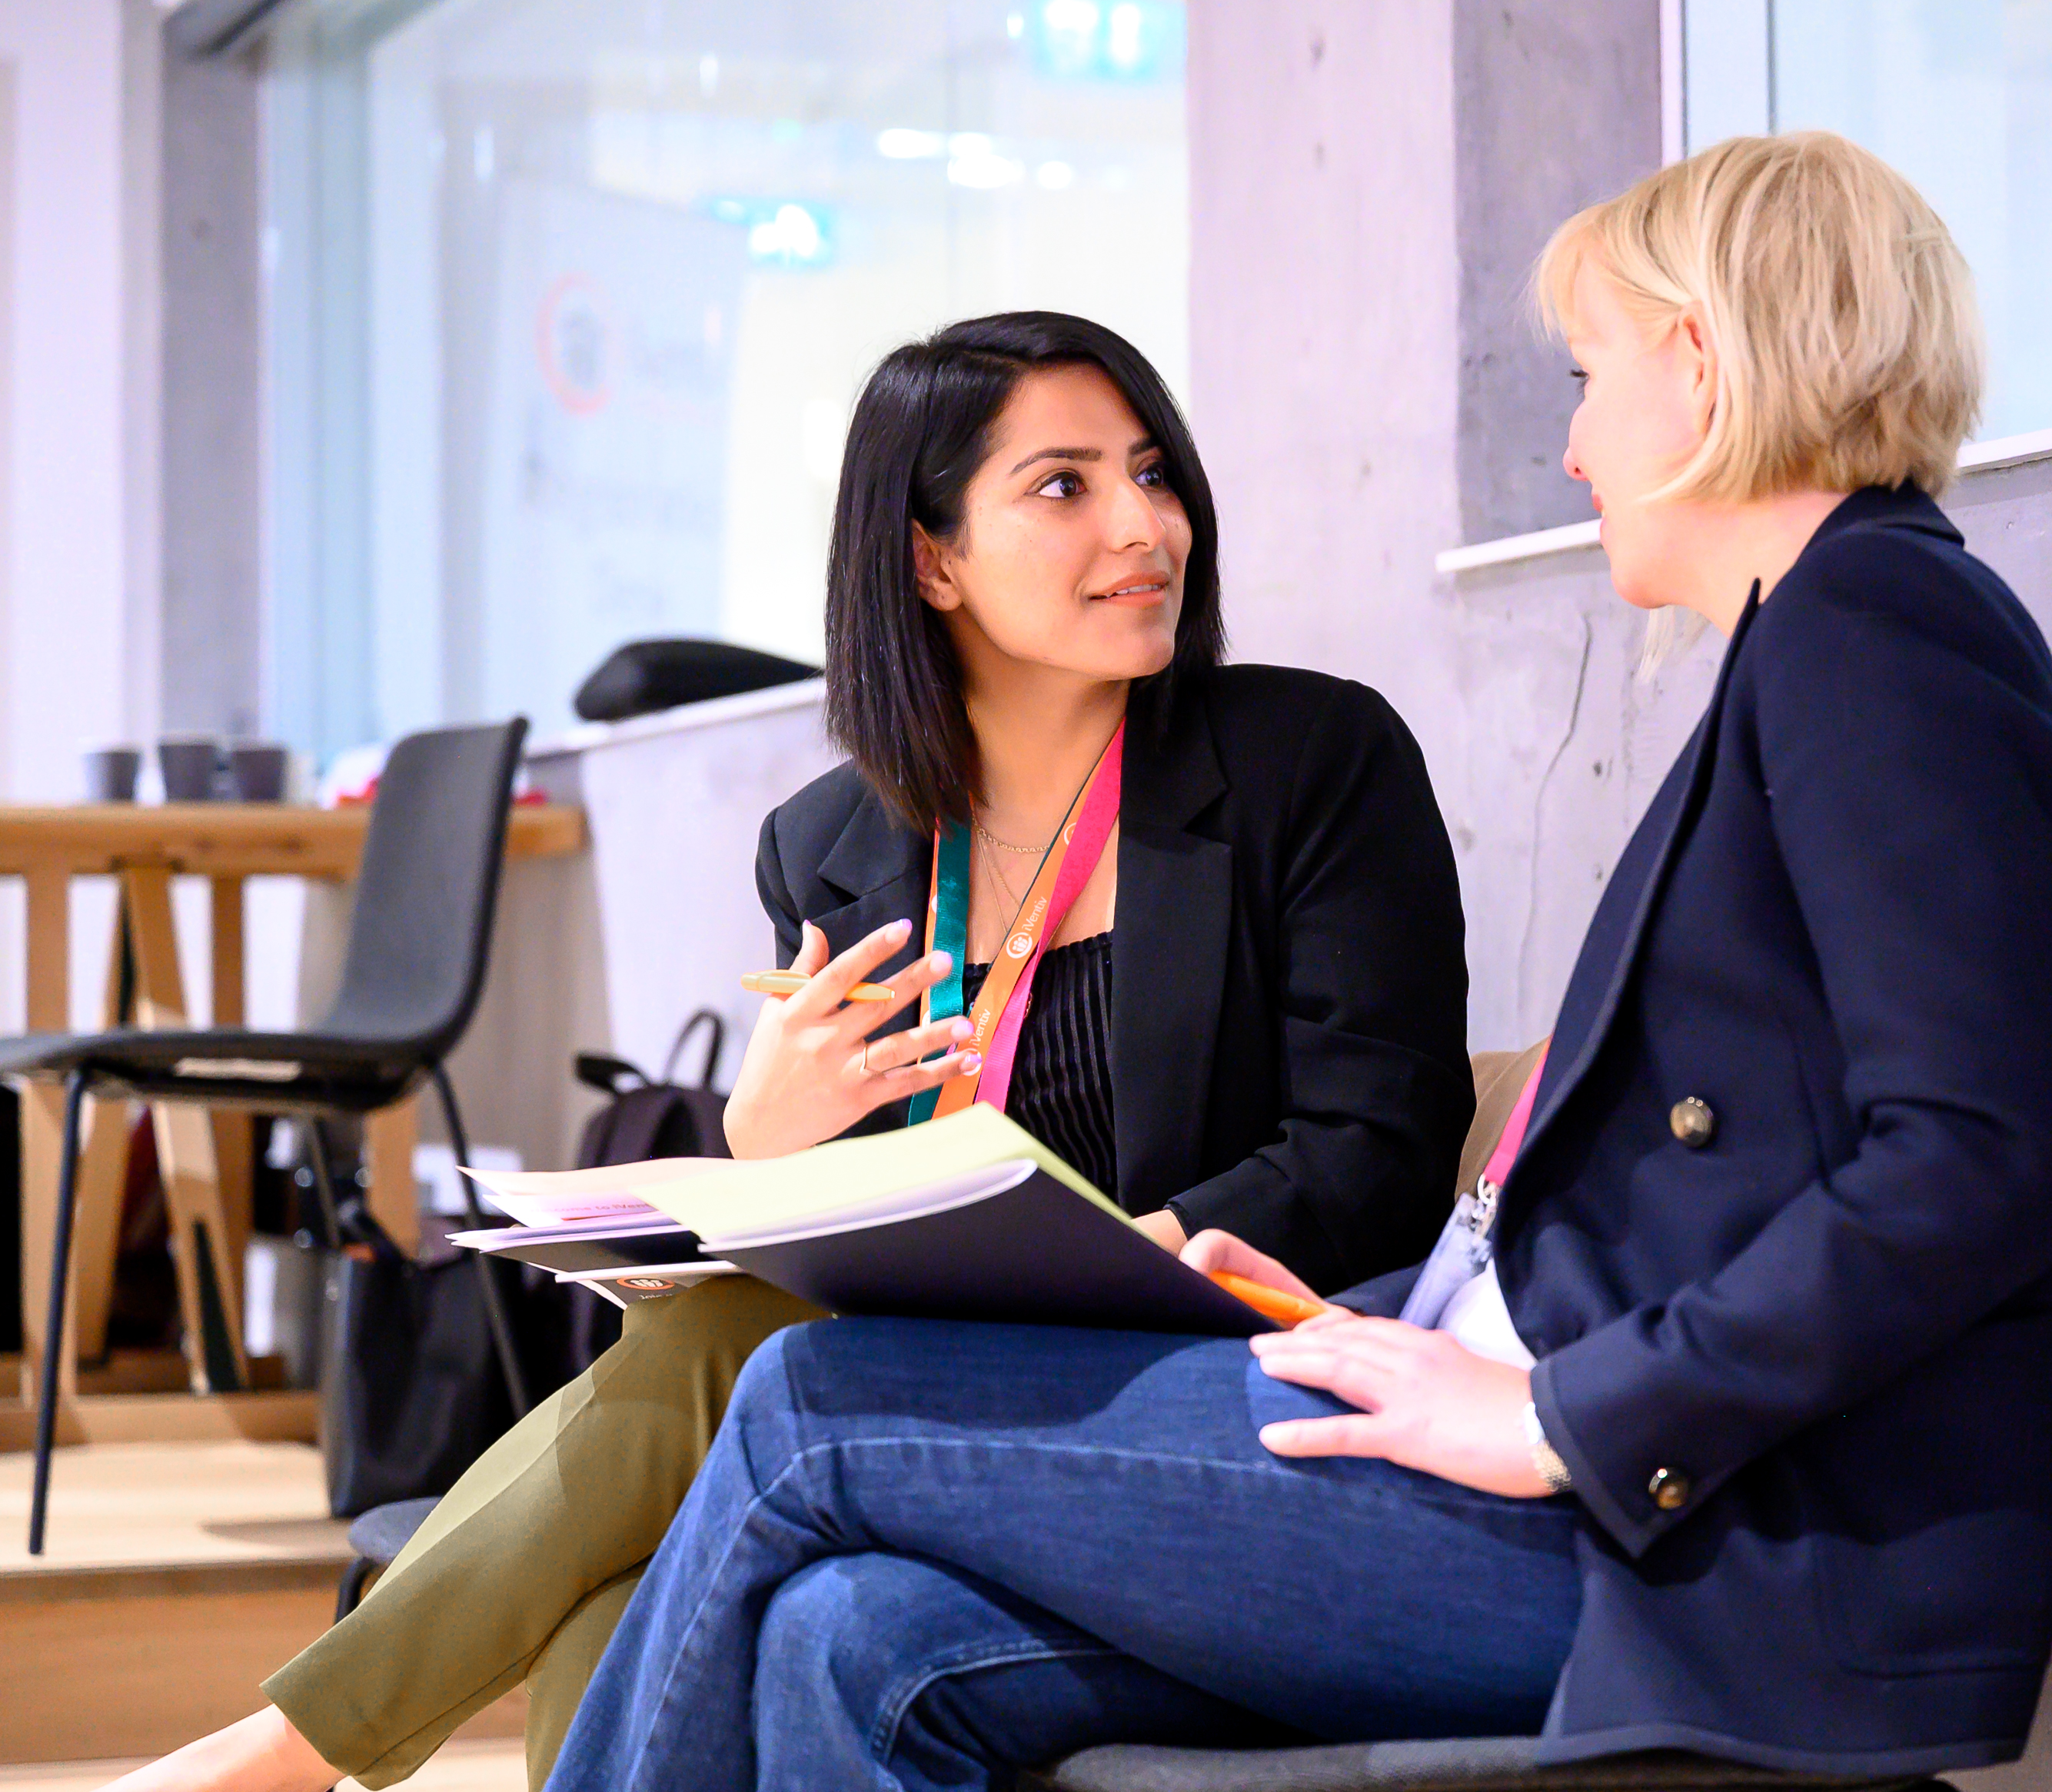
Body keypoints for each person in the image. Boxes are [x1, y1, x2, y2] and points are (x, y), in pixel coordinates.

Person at [537, 131, 2052, 1792]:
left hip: (1675, 1552)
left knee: (810, 1396)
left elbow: (1978, 1158)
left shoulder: (1875, 635)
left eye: (1589, 377)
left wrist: (1559, 1416)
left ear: (1696, 360)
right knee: (852, 1632)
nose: (1577, 445)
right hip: (1548, 1466)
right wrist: (1382, 1322)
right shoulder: (1829, 639)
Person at [110, 313, 1476, 1792]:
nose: (1146, 524)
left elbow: (1378, 1159)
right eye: (1066, 486)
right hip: (934, 1379)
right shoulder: (832, 847)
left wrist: (1133, 1251)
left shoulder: (1309, 763)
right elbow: (853, 1237)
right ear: (929, 558)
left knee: (707, 1370)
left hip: (1216, 1364)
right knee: (614, 1595)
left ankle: (280, 1756)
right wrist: (767, 1150)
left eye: (1152, 473)